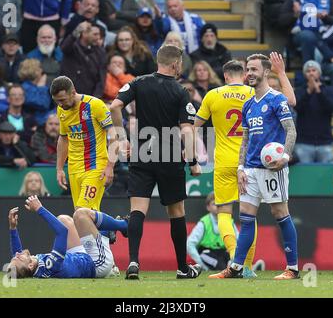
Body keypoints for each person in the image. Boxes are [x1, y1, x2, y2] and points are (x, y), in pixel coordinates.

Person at [109, 44, 202, 280]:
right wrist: (192, 161)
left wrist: (121, 139)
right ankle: (182, 268)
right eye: (180, 63)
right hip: (169, 155)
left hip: (142, 152)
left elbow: (115, 105)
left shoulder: (138, 82)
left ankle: (132, 262)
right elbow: (187, 131)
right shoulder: (181, 92)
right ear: (174, 64)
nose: (181, 66)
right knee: (176, 211)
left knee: (138, 209)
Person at [213, 54, 299, 280]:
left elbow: (291, 130)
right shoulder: (248, 104)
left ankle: (293, 268)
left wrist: (286, 155)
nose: (249, 73)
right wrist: (240, 167)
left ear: (266, 72)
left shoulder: (276, 99)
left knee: (280, 213)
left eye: (253, 69)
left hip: (272, 168)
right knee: (246, 217)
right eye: (247, 70)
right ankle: (236, 268)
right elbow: (246, 139)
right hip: (249, 169)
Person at [193, 60, 257, 278]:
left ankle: (234, 261)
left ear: (226, 76)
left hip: (223, 162)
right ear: (244, 75)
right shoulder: (254, 93)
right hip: (250, 161)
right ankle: (246, 265)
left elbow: (194, 126)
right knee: (249, 215)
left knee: (224, 213)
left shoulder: (213, 94)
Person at [7, 195, 126, 279]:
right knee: (81, 214)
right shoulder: (50, 265)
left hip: (78, 256)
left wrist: (13, 228)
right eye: (19, 258)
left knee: (63, 220)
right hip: (96, 264)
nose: (17, 254)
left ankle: (107, 233)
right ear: (30, 265)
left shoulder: (32, 266)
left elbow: (16, 255)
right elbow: (62, 232)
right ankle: (123, 226)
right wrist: (39, 209)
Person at [51, 76, 115, 211]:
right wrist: (59, 168)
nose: (60, 104)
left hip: (95, 166)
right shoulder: (61, 109)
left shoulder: (95, 105)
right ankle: (109, 230)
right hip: (74, 168)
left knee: (83, 211)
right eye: (56, 101)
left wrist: (110, 166)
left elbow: (114, 135)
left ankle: (120, 225)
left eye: (62, 100)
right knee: (84, 215)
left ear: (73, 92)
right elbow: (63, 138)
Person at [294, 60, 333, 163]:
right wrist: (309, 92)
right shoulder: (300, 91)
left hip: (324, 141)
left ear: (319, 73)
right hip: (304, 141)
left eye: (314, 70)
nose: (311, 73)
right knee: (305, 175)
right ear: (305, 74)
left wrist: (319, 92)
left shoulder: (329, 90)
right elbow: (297, 107)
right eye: (308, 71)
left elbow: (332, 108)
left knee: (325, 175)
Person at [186, 192, 235, 271]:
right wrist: (202, 266)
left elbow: (239, 242)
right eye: (214, 203)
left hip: (223, 252)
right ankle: (228, 269)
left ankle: (244, 268)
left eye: (220, 204)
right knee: (219, 263)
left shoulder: (229, 221)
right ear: (208, 207)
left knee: (233, 257)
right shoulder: (204, 223)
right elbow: (189, 244)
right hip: (207, 252)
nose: (218, 206)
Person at [60, 21, 107, 99]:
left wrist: (95, 98)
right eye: (95, 34)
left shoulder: (100, 52)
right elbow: (64, 48)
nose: (98, 37)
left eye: (99, 35)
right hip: (69, 97)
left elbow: (101, 79)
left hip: (89, 98)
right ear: (84, 33)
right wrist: (76, 32)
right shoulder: (72, 47)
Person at [18, 58, 52, 126]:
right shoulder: (25, 88)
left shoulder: (38, 86)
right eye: (39, 68)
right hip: (34, 123)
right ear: (34, 71)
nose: (42, 71)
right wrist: (41, 88)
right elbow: (43, 104)